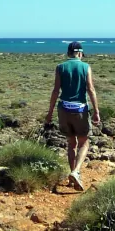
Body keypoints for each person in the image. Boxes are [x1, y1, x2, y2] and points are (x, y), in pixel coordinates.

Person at [46, 41, 100, 190]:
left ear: (68, 53)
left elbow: (56, 91)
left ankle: (72, 177)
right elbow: (91, 89)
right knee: (84, 142)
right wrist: (96, 111)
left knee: (71, 143)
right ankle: (76, 172)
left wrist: (49, 113)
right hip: (80, 110)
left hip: (63, 109)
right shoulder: (85, 67)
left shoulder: (60, 67)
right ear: (81, 53)